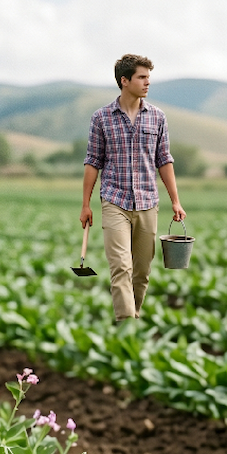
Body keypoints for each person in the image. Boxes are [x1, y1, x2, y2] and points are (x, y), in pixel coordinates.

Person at [80, 53, 186, 324]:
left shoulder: (157, 117)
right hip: (114, 200)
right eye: (141, 77)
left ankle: (133, 320)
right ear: (124, 81)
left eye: (148, 77)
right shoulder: (101, 118)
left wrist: (175, 200)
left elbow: (164, 160)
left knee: (141, 272)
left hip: (148, 201)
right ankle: (126, 324)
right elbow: (93, 162)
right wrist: (86, 204)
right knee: (121, 267)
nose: (147, 82)